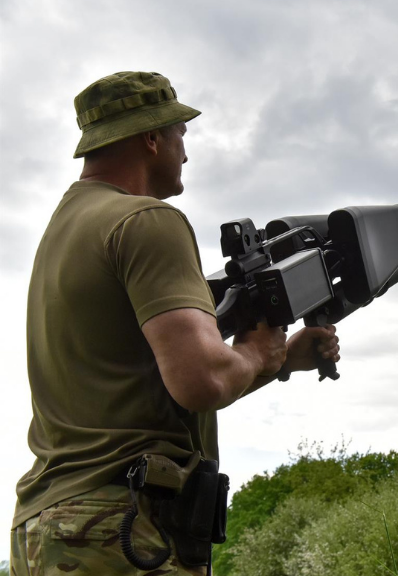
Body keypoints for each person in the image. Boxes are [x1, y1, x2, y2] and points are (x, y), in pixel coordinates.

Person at [9, 71, 340, 575]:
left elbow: (149, 389)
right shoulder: (146, 220)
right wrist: (256, 352)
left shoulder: (64, 229)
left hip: (48, 530)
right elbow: (200, 380)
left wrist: (281, 361)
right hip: (121, 529)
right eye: (180, 133)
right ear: (151, 138)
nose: (185, 151)